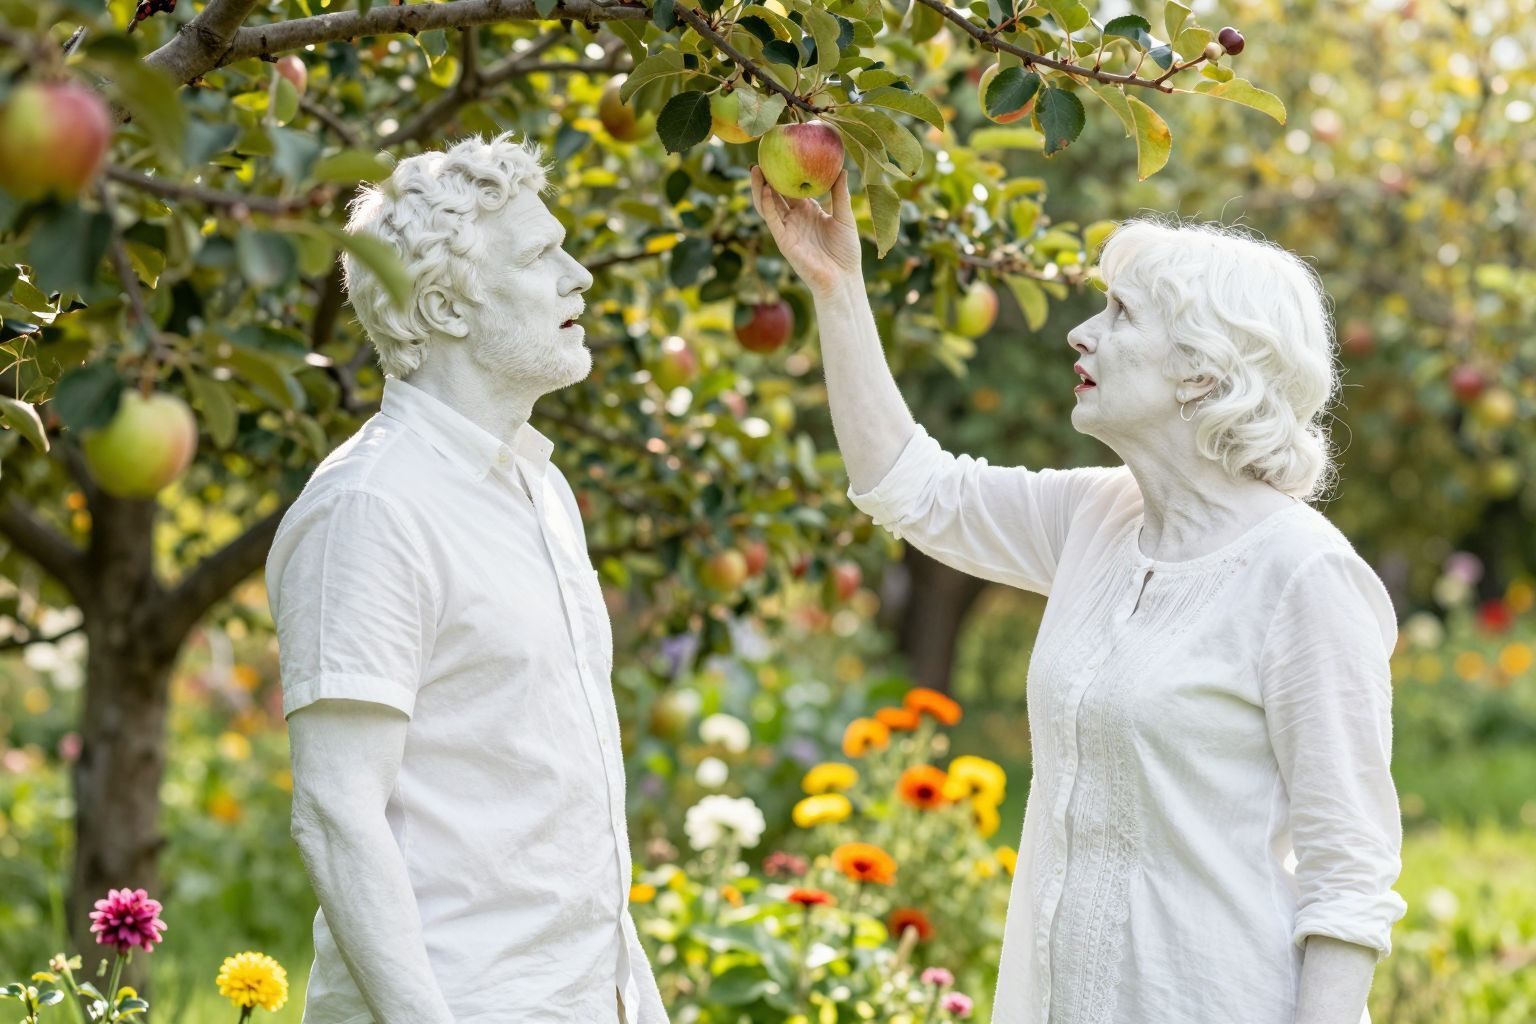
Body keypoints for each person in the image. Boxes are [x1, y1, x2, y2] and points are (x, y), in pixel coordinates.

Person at [749, 166, 1407, 1024]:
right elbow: (910, 487)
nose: (1080, 336)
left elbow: (1348, 871)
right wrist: (836, 289)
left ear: (1202, 373)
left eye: (1122, 314)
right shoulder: (1097, 516)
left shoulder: (1304, 576)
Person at [264, 132, 668, 1024]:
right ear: (446, 306)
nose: (580, 278)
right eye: (541, 254)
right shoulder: (370, 510)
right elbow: (336, 812)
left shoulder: (538, 484)